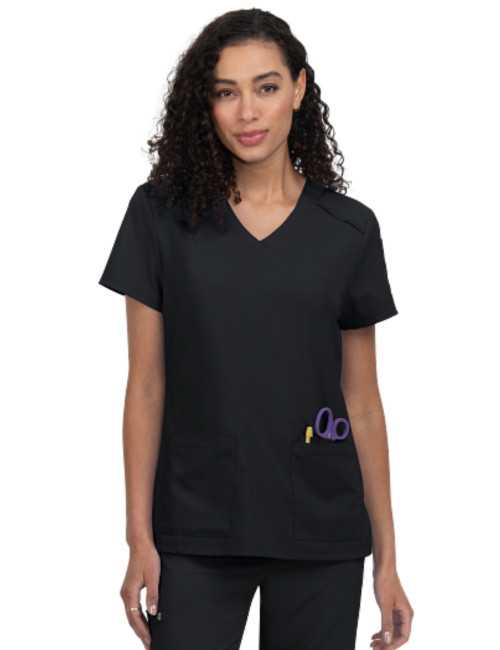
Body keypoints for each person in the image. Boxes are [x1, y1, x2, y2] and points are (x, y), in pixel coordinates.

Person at [98, 8, 414, 650]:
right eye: (226, 92)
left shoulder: (349, 229)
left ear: (299, 88)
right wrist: (138, 538)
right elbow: (147, 385)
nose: (248, 112)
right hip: (194, 529)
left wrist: (387, 563)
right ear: (205, 104)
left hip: (321, 529)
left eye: (266, 87)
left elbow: (361, 402)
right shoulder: (159, 215)